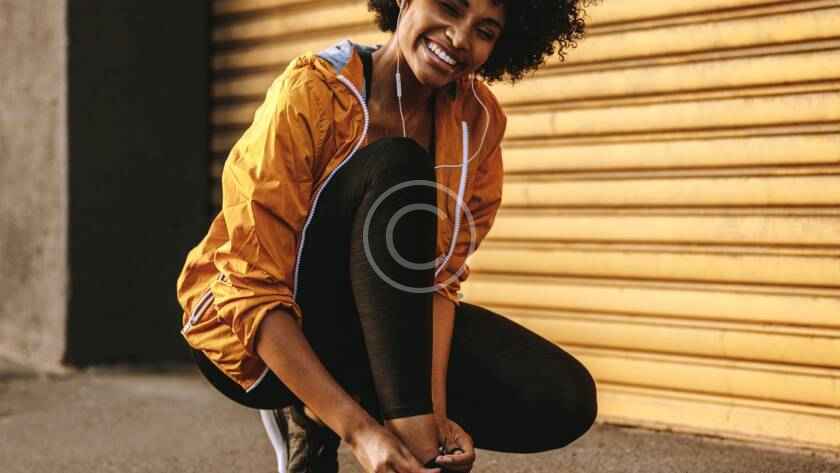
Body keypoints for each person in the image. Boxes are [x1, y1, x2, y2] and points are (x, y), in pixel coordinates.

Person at [176, 0, 598, 472]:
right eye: (449, 7)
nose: (460, 38)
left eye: (484, 30)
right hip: (254, 334)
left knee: (563, 397)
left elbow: (437, 282)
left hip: (375, 327)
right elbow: (249, 285)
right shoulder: (311, 92)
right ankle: (316, 408)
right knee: (397, 166)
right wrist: (359, 432)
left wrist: (432, 418)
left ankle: (378, 425)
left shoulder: (476, 123)